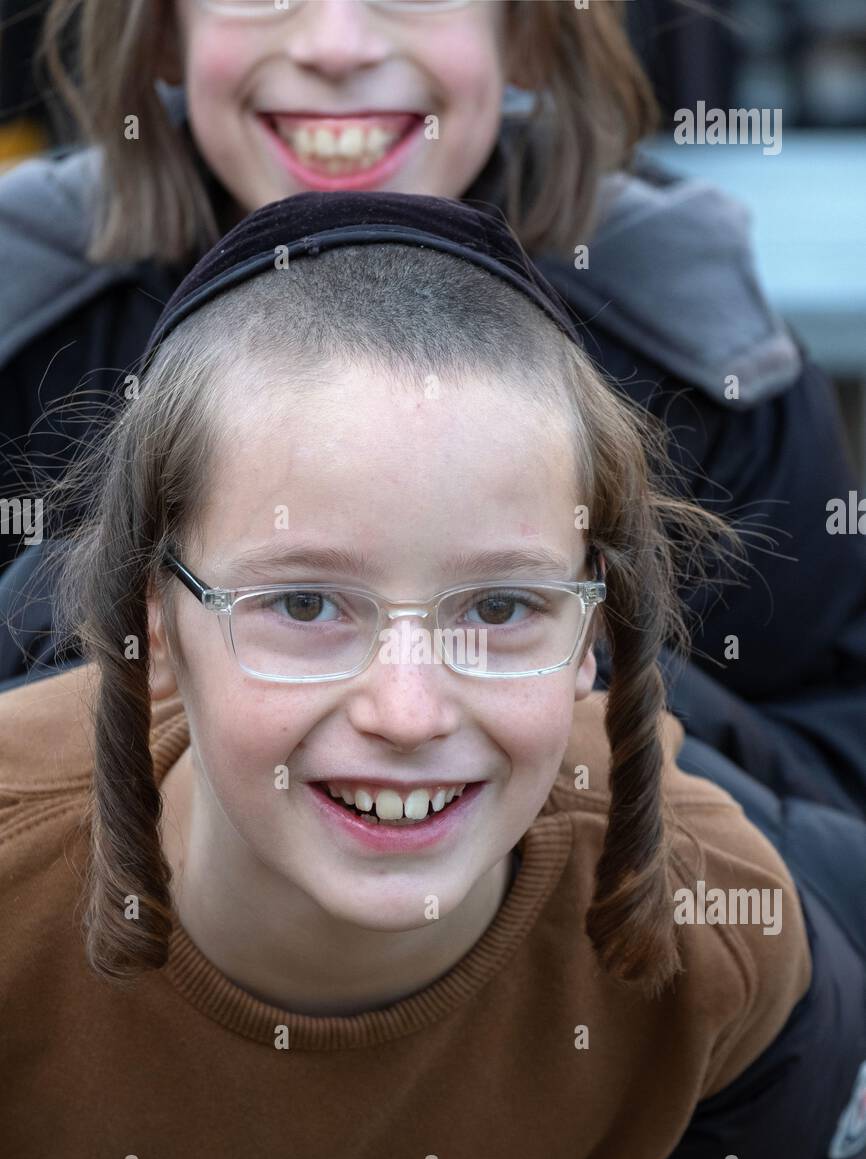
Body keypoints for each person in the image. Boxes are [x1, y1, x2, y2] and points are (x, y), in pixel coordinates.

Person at [1, 191, 865, 1159]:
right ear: (154, 631)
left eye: (500, 608)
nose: (407, 713)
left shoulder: (727, 957)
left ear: (589, 641)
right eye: (305, 606)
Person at [0, 0, 865, 816]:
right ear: (160, 27)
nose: (335, 45)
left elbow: (833, 790)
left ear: (523, 29)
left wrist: (580, 673)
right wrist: (89, 618)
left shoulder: (698, 339)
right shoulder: (27, 318)